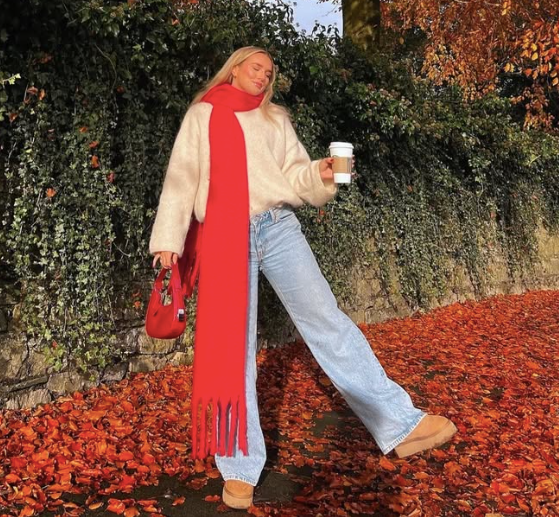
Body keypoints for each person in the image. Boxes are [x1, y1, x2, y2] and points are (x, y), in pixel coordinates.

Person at [150, 46, 456, 510]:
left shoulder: (275, 118)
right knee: (233, 346)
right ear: (236, 67)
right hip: (224, 236)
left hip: (277, 228)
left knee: (327, 321)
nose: (264, 75)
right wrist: (168, 239)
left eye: (270, 72)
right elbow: (182, 176)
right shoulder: (203, 113)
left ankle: (401, 424)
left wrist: (322, 173)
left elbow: (295, 174)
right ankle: (238, 465)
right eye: (257, 66)